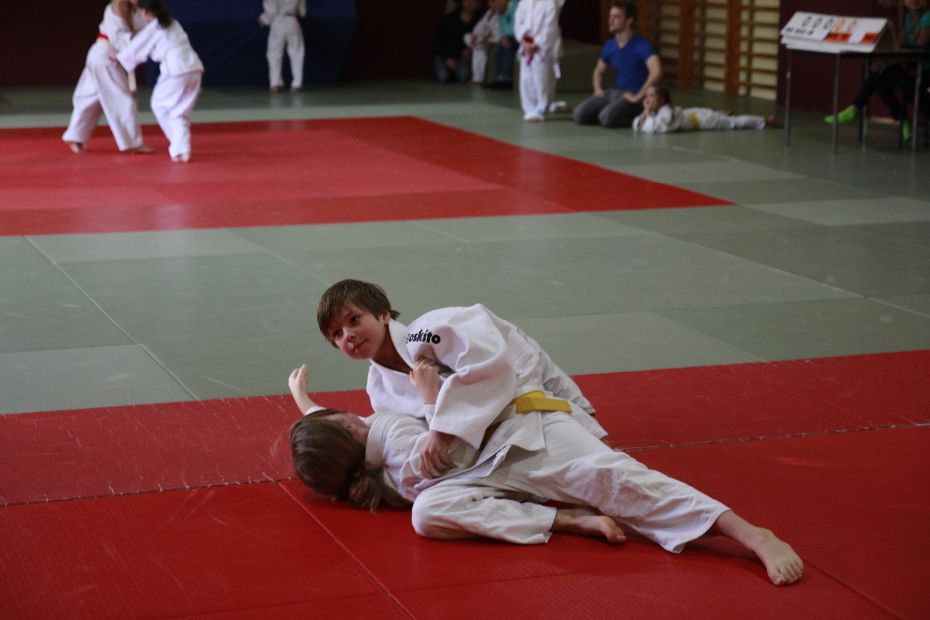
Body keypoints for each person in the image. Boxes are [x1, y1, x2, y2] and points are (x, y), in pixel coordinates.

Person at [286, 362, 805, 587]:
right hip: (503, 456)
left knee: (616, 479)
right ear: (349, 430)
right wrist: (428, 399)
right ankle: (567, 519)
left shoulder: (367, 463)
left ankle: (748, 534)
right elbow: (445, 442)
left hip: (525, 440)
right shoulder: (392, 438)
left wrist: (303, 402)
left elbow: (334, 434)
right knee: (428, 512)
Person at [314, 279, 607, 478]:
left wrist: (441, 430)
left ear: (383, 314)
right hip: (489, 420)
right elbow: (411, 430)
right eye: (337, 334)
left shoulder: (426, 331)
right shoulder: (378, 389)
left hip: (517, 365)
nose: (348, 335)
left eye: (354, 320)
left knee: (588, 432)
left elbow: (488, 367)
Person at [825, 0, 930, 142]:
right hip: (908, 66)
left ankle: (856, 108)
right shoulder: (908, 18)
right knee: (880, 82)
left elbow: (917, 51)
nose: (913, 1)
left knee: (880, 73)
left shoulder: (928, 17)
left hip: (923, 68)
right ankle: (902, 121)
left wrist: (888, 62)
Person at [114, 0, 203, 163]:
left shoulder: (154, 27)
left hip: (177, 71)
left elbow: (136, 48)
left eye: (141, 11)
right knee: (178, 112)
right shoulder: (172, 23)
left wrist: (119, 56)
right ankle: (181, 149)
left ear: (146, 12)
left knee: (159, 104)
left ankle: (179, 146)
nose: (141, 14)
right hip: (194, 69)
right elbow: (155, 50)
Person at [62, 0, 152, 154]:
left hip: (103, 56)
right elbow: (120, 38)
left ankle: (75, 135)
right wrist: (131, 52)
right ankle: (132, 144)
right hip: (107, 55)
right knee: (123, 100)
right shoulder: (116, 7)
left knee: (90, 98)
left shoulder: (140, 10)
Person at [572, 0, 662, 129]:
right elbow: (598, 71)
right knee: (579, 115)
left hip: (632, 94)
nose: (610, 20)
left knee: (606, 118)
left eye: (616, 17)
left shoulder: (642, 45)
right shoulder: (610, 45)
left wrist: (639, 96)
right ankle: (609, 113)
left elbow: (657, 71)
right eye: (610, 16)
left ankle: (638, 114)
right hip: (614, 91)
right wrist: (597, 89)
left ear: (628, 21)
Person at [633, 85, 781, 134]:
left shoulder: (667, 112)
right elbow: (638, 124)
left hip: (703, 120)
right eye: (647, 96)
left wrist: (646, 112)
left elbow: (653, 127)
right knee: (720, 116)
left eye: (651, 96)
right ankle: (721, 113)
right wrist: (646, 112)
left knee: (733, 123)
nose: (647, 99)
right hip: (692, 113)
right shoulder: (658, 111)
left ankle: (766, 120)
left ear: (662, 100)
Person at [514, 0, 562, 122]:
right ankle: (529, 109)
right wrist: (524, 41)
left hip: (542, 48)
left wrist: (537, 44)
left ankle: (541, 109)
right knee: (526, 78)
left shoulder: (549, 4)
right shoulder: (524, 2)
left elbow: (550, 29)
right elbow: (518, 22)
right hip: (526, 44)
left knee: (541, 80)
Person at [258, 0, 306, 93]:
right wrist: (298, 12)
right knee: (296, 52)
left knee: (274, 53)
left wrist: (263, 19)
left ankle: (274, 83)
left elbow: (271, 10)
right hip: (292, 21)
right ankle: (297, 83)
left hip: (277, 21)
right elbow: (302, 12)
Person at [435, 0, 484, 83]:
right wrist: (447, 58)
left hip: (463, 58)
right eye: (467, 0)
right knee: (442, 76)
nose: (469, 3)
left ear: (478, 4)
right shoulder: (450, 18)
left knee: (463, 76)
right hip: (446, 55)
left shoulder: (481, 20)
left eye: (473, 1)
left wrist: (471, 51)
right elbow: (439, 42)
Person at [484, 0, 520, 88]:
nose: (495, 6)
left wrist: (507, 38)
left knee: (505, 44)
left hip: (522, 37)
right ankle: (500, 79)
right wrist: (503, 38)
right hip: (510, 38)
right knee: (501, 45)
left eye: (497, 2)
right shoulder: (500, 12)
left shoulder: (517, 5)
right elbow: (502, 31)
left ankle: (506, 80)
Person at [465, 0, 501, 84]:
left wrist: (484, 38)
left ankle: (478, 78)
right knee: (467, 37)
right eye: (491, 2)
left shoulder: (500, 14)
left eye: (494, 2)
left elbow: (497, 31)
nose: (492, 5)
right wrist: (474, 35)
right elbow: (479, 26)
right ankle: (477, 77)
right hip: (483, 38)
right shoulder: (488, 13)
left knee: (478, 48)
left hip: (494, 38)